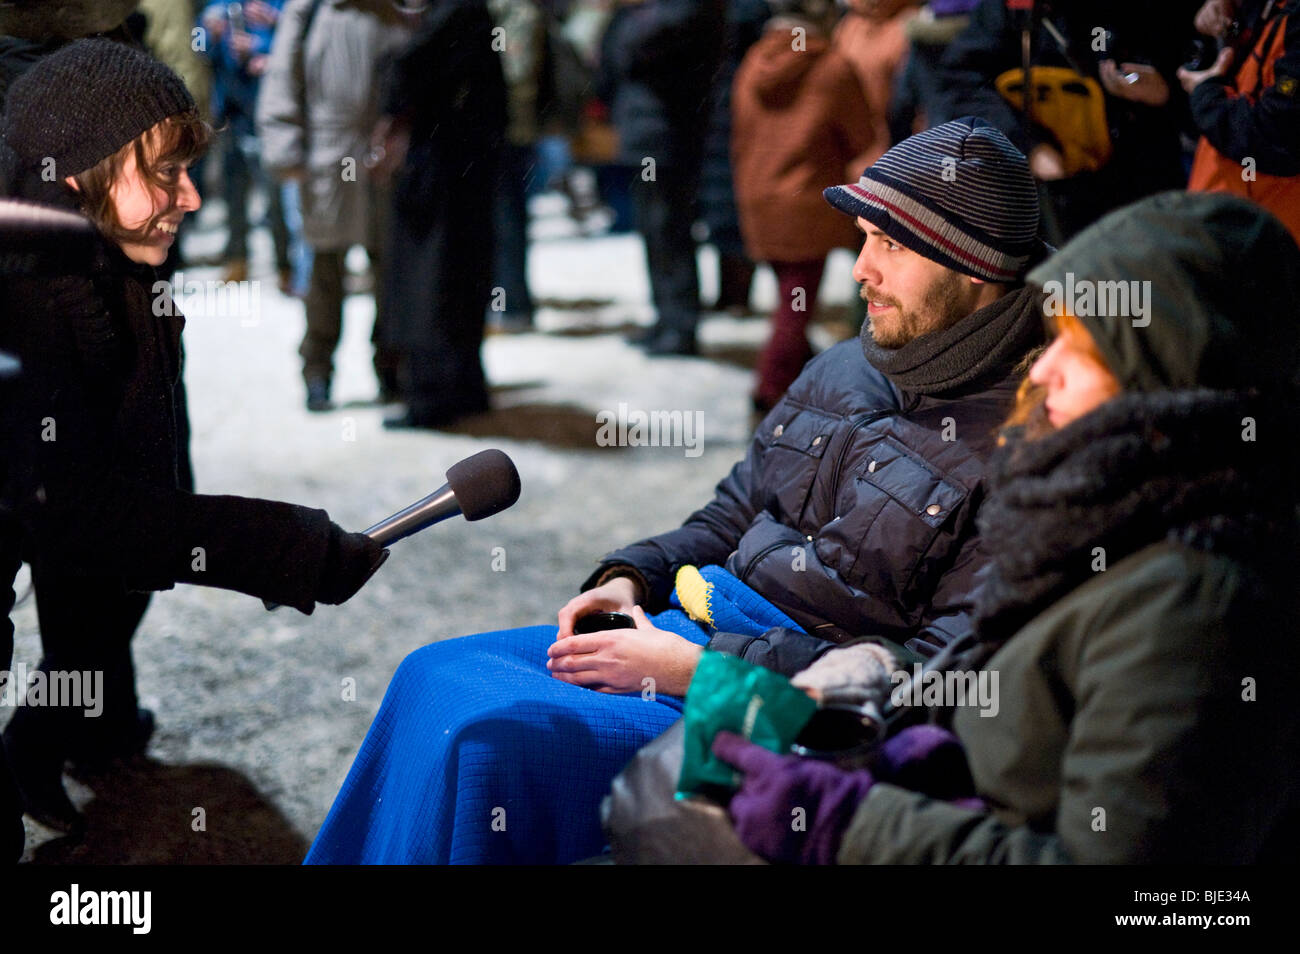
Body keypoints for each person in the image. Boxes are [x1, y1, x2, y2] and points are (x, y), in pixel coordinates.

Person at [304, 118, 1049, 865]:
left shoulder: (1027, 439)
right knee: (430, 677)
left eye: (890, 245)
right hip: (684, 626)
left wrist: (701, 671)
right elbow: (731, 511)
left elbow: (931, 681)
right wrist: (633, 576)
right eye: (863, 238)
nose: (859, 269)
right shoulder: (852, 362)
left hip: (779, 701)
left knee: (482, 743)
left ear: (971, 265)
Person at [713, 191, 1300, 864]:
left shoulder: (1199, 603)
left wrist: (846, 824)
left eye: (1081, 350)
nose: (1043, 369)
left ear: (1168, 377)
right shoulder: (1097, 513)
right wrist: (880, 684)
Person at [0, 38, 387, 836]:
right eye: (166, 174)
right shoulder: (22, 303)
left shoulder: (122, 258)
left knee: (107, 601)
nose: (197, 199)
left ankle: (47, 744)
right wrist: (288, 546)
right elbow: (86, 514)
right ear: (78, 173)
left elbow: (136, 483)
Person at [934, 0, 1198, 242]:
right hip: (1049, 198)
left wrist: (1167, 93)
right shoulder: (1012, 10)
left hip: (1145, 191)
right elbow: (961, 82)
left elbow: (1208, 92)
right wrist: (1030, 147)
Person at [256, 0, 409, 412]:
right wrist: (285, 146)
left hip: (383, 159)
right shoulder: (309, 12)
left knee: (389, 272)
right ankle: (318, 371)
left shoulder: (391, 11)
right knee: (325, 271)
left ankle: (392, 366)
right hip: (327, 158)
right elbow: (282, 79)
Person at [730, 0, 873, 412]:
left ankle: (805, 375)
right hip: (805, 203)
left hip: (757, 198)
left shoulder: (753, 63)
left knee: (789, 298)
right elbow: (860, 136)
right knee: (795, 306)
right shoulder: (831, 68)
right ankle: (769, 394)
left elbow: (738, 136)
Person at [372, 0, 508, 430]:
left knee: (429, 283)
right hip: (469, 165)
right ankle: (465, 386)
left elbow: (404, 76)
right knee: (462, 277)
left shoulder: (453, 13)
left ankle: (434, 396)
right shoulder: (472, 12)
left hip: (440, 168)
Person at [601, 0, 726, 356]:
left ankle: (680, 325)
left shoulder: (686, 11)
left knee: (669, 230)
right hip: (648, 134)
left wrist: (626, 12)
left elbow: (630, 47)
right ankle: (665, 319)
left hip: (669, 137)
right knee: (655, 233)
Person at [1180, 0, 1300, 243]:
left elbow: (1275, 134)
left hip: (1266, 244)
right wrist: (1230, 24)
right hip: (1223, 227)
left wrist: (1205, 94)